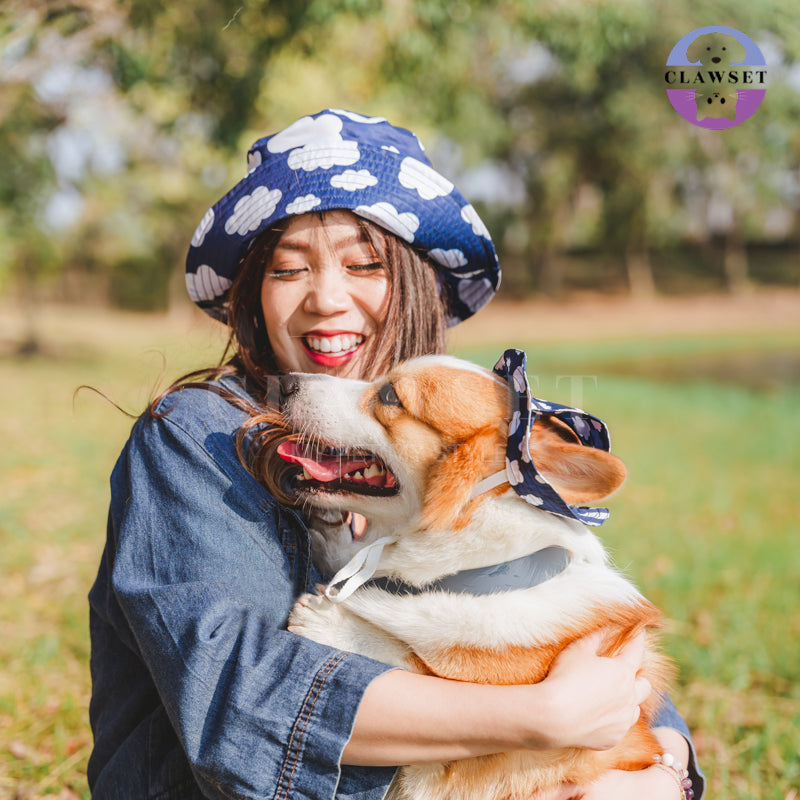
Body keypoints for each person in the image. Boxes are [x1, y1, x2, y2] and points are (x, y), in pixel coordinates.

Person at [88, 109, 704, 800]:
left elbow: (605, 668)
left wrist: (662, 773)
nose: (326, 298)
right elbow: (235, 695)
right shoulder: (196, 436)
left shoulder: (448, 446)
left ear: (418, 282)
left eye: (363, 264)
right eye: (288, 269)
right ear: (253, 296)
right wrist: (539, 718)